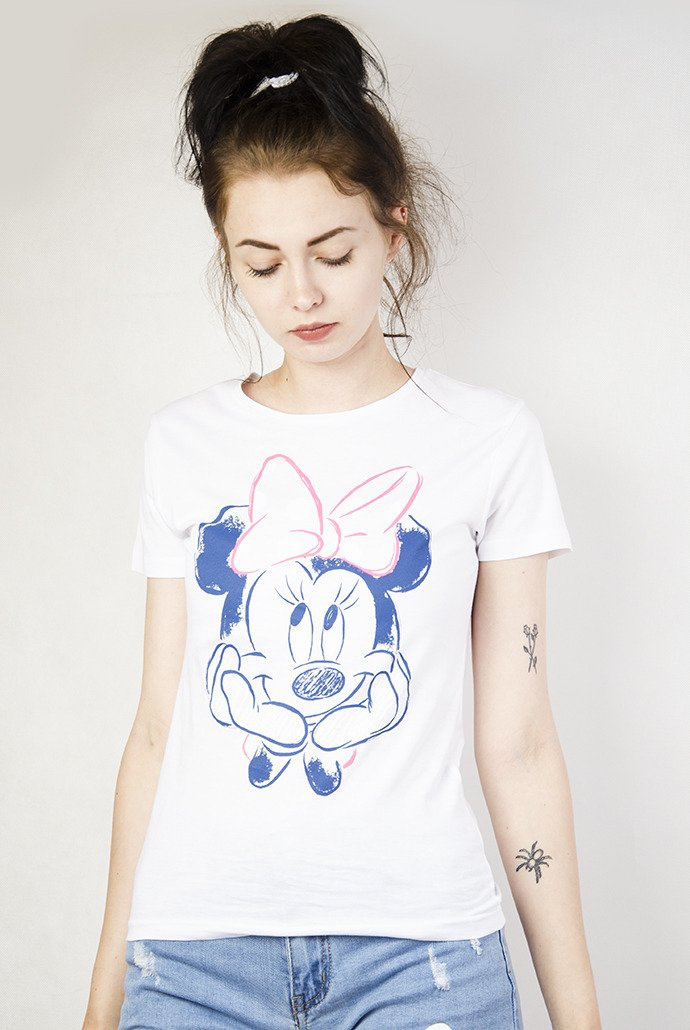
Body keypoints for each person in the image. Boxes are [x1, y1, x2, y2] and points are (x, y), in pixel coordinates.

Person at [83, 13, 601, 1030]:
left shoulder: (489, 440)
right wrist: (104, 997)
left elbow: (522, 745)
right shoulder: (183, 443)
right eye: (261, 264)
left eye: (332, 251)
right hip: (192, 960)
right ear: (226, 255)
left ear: (393, 226)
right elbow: (156, 731)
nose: (302, 294)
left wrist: (580, 1016)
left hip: (424, 960)